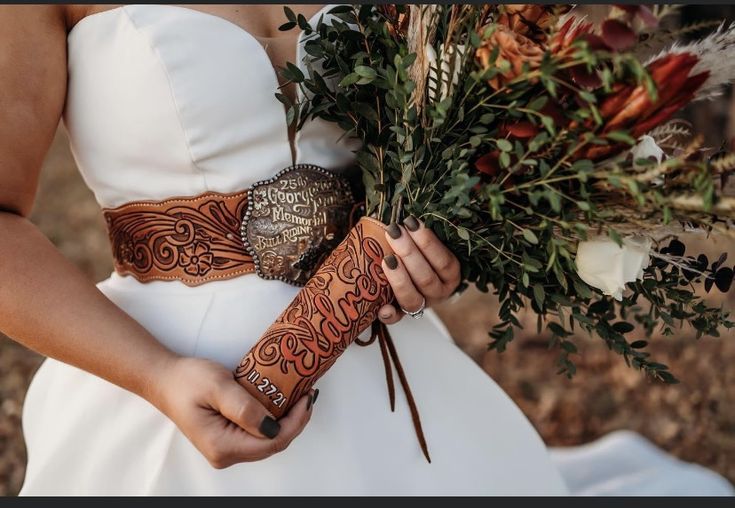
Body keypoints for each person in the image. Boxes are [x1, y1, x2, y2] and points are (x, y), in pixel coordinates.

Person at [0, 4, 731, 496]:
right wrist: (157, 376)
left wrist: (433, 256)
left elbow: (444, 131)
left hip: (379, 348)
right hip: (164, 377)